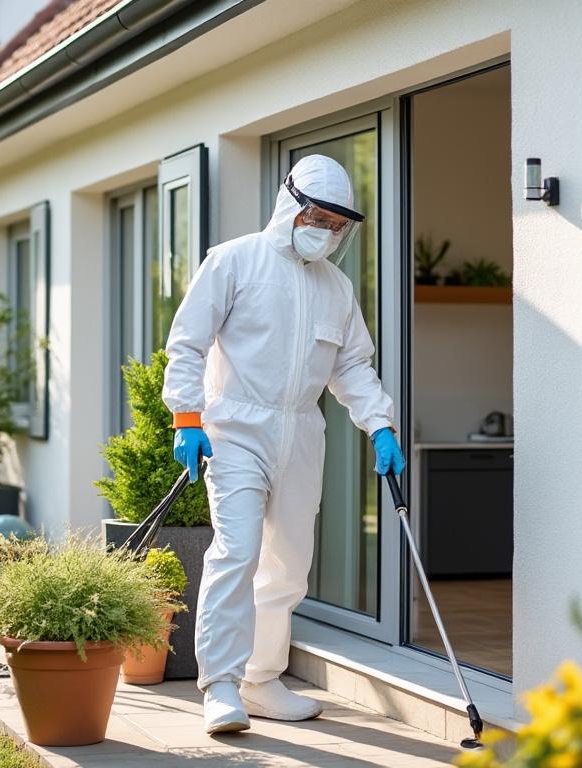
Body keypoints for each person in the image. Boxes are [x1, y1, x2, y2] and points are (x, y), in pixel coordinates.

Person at [162, 154, 405, 734]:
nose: (326, 230)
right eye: (318, 216)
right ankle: (219, 685)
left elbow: (352, 367)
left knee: (289, 566)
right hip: (236, 428)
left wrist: (380, 425)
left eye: (337, 223)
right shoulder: (233, 261)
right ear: (290, 206)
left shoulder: (337, 287)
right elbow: (189, 342)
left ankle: (262, 679)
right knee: (237, 551)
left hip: (301, 430)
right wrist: (187, 418)